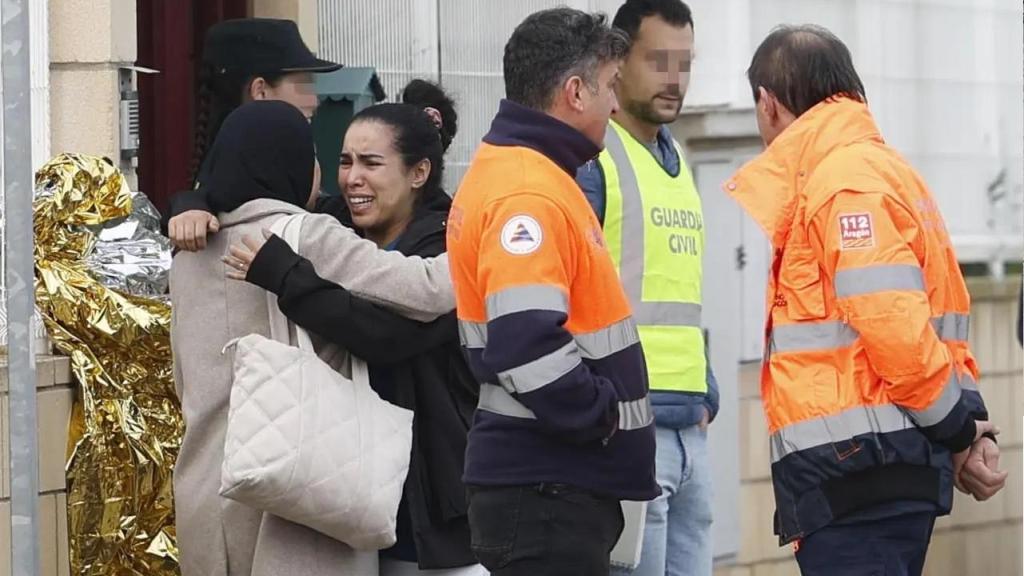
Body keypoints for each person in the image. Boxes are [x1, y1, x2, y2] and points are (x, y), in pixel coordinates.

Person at [723, 25, 1007, 576]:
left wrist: (959, 431)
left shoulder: (841, 182)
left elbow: (895, 326)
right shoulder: (894, 174)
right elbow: (945, 320)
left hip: (857, 476)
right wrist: (966, 426)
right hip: (884, 469)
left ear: (768, 102)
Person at [170, 100, 455, 576]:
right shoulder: (307, 234)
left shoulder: (186, 256)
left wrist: (189, 200)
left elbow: (182, 377)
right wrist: (487, 235)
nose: (330, 175)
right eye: (324, 159)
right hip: (294, 495)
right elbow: (430, 290)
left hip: (204, 495)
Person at [445, 8, 658, 576]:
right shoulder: (528, 191)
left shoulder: (527, 176)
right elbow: (525, 343)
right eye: (610, 86)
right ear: (574, 92)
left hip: (544, 487)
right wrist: (600, 416)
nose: (616, 105)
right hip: (547, 488)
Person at [575, 1, 716, 574]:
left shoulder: (677, 158)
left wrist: (704, 388)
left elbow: (679, 291)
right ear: (615, 60)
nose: (673, 78)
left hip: (688, 428)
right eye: (658, 60)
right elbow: (571, 292)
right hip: (629, 426)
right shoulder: (594, 159)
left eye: (684, 63)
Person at [168, 17, 341, 251]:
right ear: (260, 90)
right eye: (304, 85)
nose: (315, 101)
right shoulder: (206, 210)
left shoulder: (203, 196)